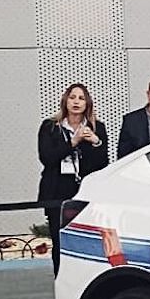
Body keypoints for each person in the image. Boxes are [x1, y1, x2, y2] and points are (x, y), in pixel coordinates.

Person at [37, 83, 108, 276]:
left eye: (81, 98)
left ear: (87, 103)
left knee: (87, 240)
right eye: (72, 97)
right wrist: (73, 142)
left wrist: (95, 142)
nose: (76, 102)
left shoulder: (96, 127)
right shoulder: (50, 126)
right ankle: (61, 280)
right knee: (59, 242)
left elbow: (102, 165)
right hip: (57, 191)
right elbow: (47, 158)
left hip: (84, 191)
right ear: (65, 101)